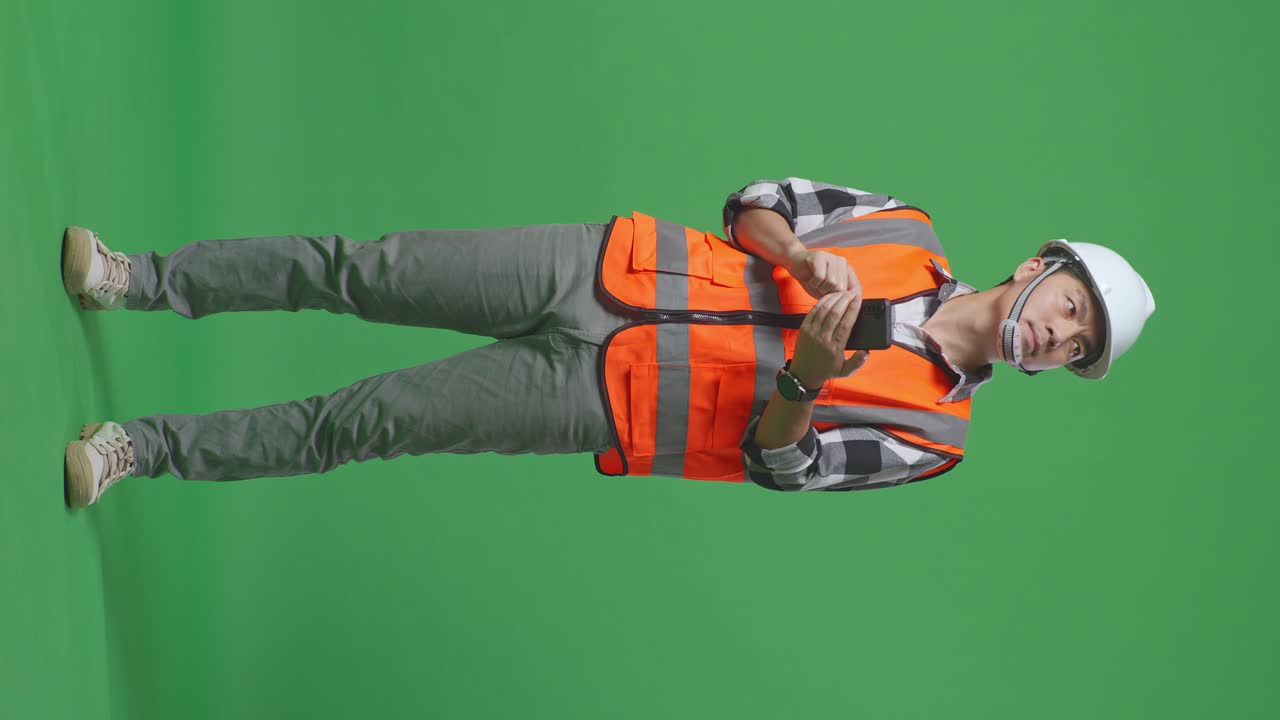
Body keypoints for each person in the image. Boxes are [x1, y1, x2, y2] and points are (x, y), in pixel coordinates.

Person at [61, 177, 1155, 508]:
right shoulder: (904, 228)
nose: (1056, 335)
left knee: (365, 422)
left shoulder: (935, 436)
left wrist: (805, 381)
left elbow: (782, 465)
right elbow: (754, 200)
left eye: (1075, 347)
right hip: (600, 265)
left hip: (603, 397)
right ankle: (137, 279)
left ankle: (138, 449)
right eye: (1068, 306)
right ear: (1037, 268)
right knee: (363, 268)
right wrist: (792, 256)